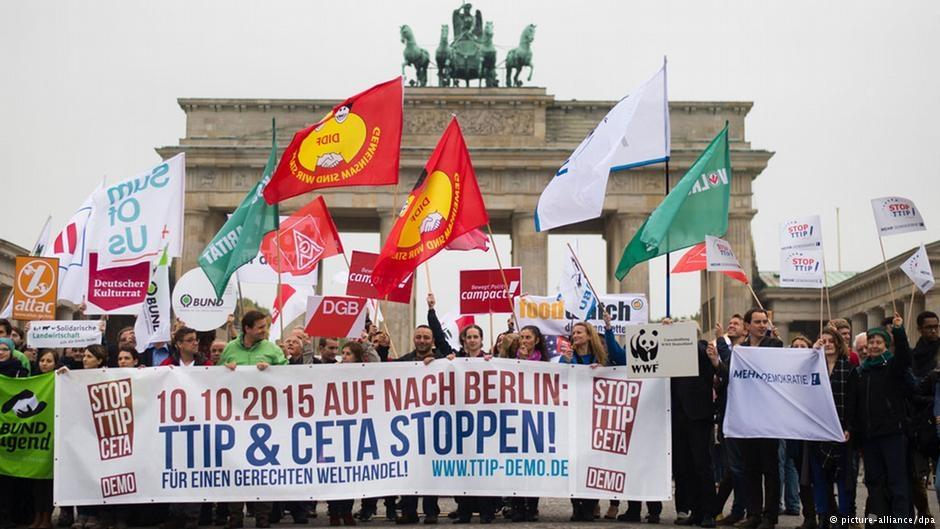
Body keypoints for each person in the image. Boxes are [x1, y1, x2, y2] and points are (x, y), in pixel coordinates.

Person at [220, 311, 286, 529]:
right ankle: (235, 518)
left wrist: (273, 371)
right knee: (235, 468)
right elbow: (213, 380)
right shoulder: (230, 349)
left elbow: (292, 376)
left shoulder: (272, 349)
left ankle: (263, 519)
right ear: (247, 329)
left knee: (262, 469)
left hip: (265, 420)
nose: (264, 331)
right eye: (260, 327)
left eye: (265, 326)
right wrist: (224, 370)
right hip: (235, 420)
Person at [560, 319, 625, 522]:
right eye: (574, 333)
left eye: (580, 332)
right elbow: (559, 379)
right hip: (573, 418)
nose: (576, 336)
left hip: (597, 420)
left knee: (592, 462)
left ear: (589, 336)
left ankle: (589, 506)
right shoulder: (566, 358)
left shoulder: (601, 358)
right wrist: (567, 362)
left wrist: (608, 330)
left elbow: (620, 358)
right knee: (575, 463)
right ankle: (576, 506)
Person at [853, 314, 912, 524]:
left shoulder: (893, 366)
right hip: (870, 438)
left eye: (878, 342)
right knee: (874, 483)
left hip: (892, 434)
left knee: (897, 482)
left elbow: (905, 356)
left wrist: (898, 331)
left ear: (886, 345)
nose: (874, 346)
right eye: (871, 342)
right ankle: (880, 521)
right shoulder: (861, 372)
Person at [726, 309, 783, 529]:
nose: (761, 325)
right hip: (747, 416)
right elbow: (729, 375)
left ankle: (770, 516)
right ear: (747, 326)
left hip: (769, 416)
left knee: (770, 468)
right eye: (757, 322)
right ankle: (754, 514)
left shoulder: (774, 345)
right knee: (751, 468)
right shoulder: (739, 350)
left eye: (764, 322)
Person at [394, 325, 444, 525]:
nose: (422, 340)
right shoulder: (402, 361)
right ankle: (409, 511)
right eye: (419, 337)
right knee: (409, 469)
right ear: (414, 339)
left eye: (426, 337)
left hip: (434, 425)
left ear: (432, 340)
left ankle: (431, 511)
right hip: (408, 426)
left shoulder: (442, 360)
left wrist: (440, 362)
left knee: (430, 470)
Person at [809, 328, 856, 527]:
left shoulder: (850, 368)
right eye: (823, 340)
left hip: (841, 431)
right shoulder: (813, 367)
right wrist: (812, 353)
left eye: (830, 340)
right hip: (818, 430)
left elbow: (854, 402)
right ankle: (824, 516)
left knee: (843, 479)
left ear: (838, 344)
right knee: (819, 478)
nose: (827, 344)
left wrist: (849, 428)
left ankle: (843, 518)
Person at [714, 316, 749, 527]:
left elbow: (732, 368)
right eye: (730, 323)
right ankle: (719, 508)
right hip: (726, 414)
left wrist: (720, 340)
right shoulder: (729, 349)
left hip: (741, 418)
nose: (730, 325)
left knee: (736, 468)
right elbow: (725, 376)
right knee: (732, 468)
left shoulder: (745, 350)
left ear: (746, 330)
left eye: (736, 323)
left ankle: (737, 509)